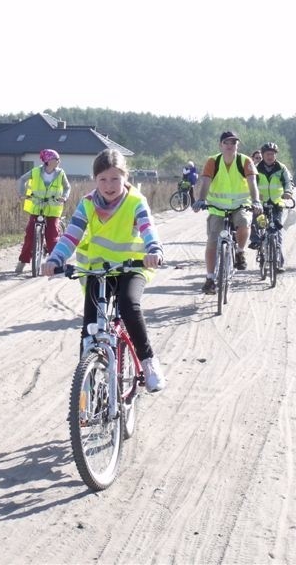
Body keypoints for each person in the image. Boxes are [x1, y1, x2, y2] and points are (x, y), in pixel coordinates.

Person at [41, 148, 167, 392]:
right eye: (102, 179)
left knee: (129, 306)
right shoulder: (88, 204)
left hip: (131, 268)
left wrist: (154, 250)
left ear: (125, 178)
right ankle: (86, 382)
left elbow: (148, 228)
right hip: (97, 271)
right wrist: (55, 258)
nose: (109, 185)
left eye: (115, 179)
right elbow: (71, 236)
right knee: (89, 326)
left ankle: (148, 361)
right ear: (94, 179)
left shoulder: (135, 201)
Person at [192, 131, 261, 294]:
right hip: (217, 207)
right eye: (226, 143)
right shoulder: (212, 161)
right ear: (220, 145)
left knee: (244, 222)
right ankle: (209, 278)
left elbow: (252, 183)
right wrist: (201, 199)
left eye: (233, 143)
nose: (230, 146)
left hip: (240, 204)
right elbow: (206, 182)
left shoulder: (245, 161)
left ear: (237, 146)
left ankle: (240, 252)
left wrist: (256, 201)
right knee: (212, 241)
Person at [15, 149, 71, 273]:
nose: (58, 161)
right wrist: (22, 194)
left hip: (53, 208)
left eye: (58, 159)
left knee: (52, 236)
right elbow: (22, 180)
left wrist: (64, 197)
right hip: (37, 207)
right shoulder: (35, 172)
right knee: (30, 235)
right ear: (48, 160)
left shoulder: (60, 173)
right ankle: (23, 262)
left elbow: (67, 187)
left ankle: (56, 264)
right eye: (56, 159)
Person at [250, 142, 294, 271]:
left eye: (272, 154)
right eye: (267, 154)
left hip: (276, 204)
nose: (270, 156)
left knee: (276, 232)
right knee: (259, 225)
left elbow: (288, 182)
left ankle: (278, 262)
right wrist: (254, 198)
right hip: (261, 204)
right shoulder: (255, 168)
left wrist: (288, 192)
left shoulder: (281, 168)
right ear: (262, 155)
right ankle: (258, 243)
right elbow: (250, 184)